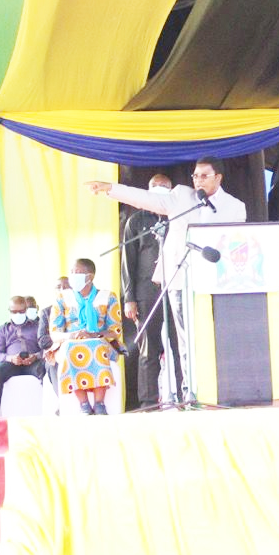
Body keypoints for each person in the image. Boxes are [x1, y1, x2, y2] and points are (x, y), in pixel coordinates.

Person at [87, 157, 246, 399]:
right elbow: (146, 198)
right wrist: (111, 188)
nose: (198, 180)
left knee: (212, 338)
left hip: (216, 283)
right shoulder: (182, 196)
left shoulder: (235, 207)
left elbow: (238, 246)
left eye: (204, 176)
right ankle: (189, 394)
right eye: (195, 176)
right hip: (180, 278)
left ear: (218, 177)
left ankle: (218, 391)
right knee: (185, 340)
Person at [120, 174, 170, 409]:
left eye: (164, 187)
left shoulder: (178, 216)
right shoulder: (136, 221)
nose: (159, 189)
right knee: (148, 349)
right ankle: (148, 402)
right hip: (146, 293)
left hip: (175, 289)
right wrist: (129, 298)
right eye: (155, 187)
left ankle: (181, 395)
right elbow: (127, 261)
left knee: (179, 347)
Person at [50, 258, 123, 415]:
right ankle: (83, 404)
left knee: (96, 345)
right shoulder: (62, 298)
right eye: (71, 272)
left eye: (77, 273)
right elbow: (54, 333)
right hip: (68, 343)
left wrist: (94, 335)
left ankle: (99, 403)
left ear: (89, 277)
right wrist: (72, 335)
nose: (72, 276)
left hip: (101, 343)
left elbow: (115, 331)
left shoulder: (108, 297)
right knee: (71, 347)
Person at [0, 295, 45, 417]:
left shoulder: (37, 326)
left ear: (26, 310)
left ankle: (49, 408)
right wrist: (11, 358)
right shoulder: (2, 330)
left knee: (45, 369)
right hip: (11, 364)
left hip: (33, 363)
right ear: (9, 311)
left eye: (21, 311)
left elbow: (45, 349)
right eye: (14, 312)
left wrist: (35, 356)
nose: (18, 314)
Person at [38, 277, 70, 399]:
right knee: (53, 365)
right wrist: (63, 338)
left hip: (75, 349)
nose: (62, 290)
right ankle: (63, 402)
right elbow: (42, 341)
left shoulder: (79, 309)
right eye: (58, 287)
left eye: (66, 287)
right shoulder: (46, 312)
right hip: (54, 353)